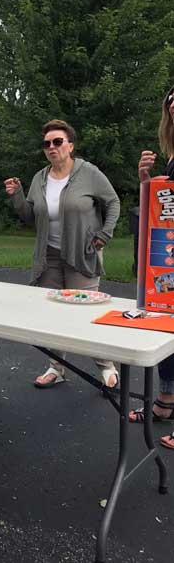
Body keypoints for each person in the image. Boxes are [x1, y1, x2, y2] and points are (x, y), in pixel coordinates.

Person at [4, 119, 121, 389]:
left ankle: (106, 367)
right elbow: (30, 217)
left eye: (58, 141)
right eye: (47, 143)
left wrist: (105, 234)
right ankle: (56, 368)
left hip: (81, 254)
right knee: (54, 316)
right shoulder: (40, 178)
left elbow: (113, 202)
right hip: (49, 256)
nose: (52, 147)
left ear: (70, 145)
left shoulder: (88, 172)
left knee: (88, 313)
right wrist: (18, 196)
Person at [130, 84, 174, 449]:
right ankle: (165, 402)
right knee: (165, 328)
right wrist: (147, 182)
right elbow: (162, 208)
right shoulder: (173, 156)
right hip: (168, 259)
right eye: (170, 101)